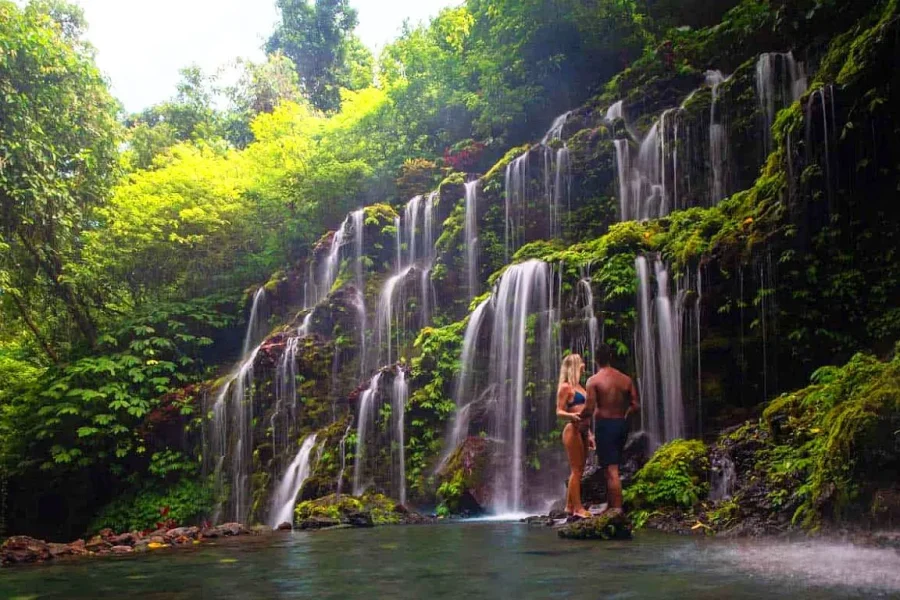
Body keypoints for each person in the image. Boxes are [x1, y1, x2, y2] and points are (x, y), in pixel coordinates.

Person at [584, 344, 639, 514]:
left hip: (605, 426)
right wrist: (624, 415)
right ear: (611, 358)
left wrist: (575, 416)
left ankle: (617, 508)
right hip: (621, 425)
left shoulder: (594, 380)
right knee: (611, 466)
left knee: (611, 469)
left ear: (596, 359)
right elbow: (635, 405)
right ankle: (611, 504)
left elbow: (589, 408)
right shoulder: (625, 379)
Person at [555, 354, 594, 518]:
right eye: (581, 362)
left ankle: (569, 506)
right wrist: (571, 417)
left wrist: (590, 434)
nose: (584, 364)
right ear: (574, 366)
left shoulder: (580, 387)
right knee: (576, 470)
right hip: (573, 429)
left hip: (584, 430)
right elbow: (559, 411)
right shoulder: (565, 387)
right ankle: (578, 508)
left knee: (581, 470)